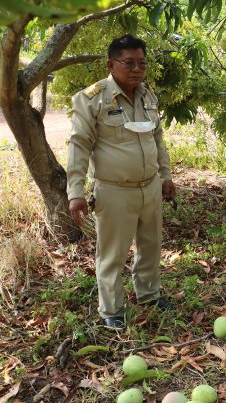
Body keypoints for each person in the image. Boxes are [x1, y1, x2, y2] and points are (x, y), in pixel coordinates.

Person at [67, 34, 175, 329]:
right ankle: (112, 310)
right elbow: (79, 145)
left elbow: (157, 139)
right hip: (114, 190)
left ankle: (149, 294)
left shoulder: (147, 95)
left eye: (142, 63)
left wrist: (165, 176)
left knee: (151, 245)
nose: (137, 69)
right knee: (113, 253)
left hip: (149, 186)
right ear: (111, 64)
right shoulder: (92, 99)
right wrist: (75, 191)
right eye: (129, 63)